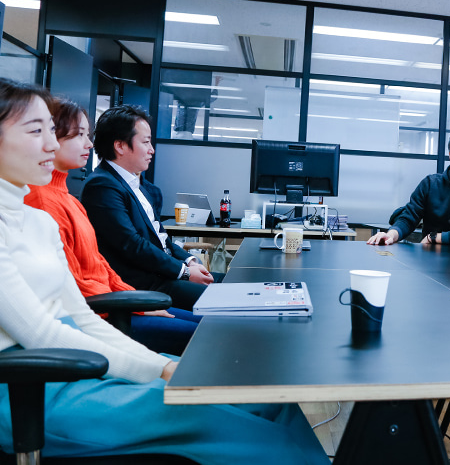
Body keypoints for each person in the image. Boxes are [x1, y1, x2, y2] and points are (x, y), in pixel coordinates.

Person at [0, 77, 328, 463]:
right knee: (249, 434)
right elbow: (42, 333)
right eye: (36, 131)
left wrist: (162, 366)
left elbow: (83, 319)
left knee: (271, 399)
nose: (53, 145)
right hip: (32, 385)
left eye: (52, 132)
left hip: (82, 358)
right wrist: (157, 370)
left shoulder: (38, 221)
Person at [25, 98, 200, 356]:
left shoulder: (68, 198)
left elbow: (99, 264)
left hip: (117, 301)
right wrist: (133, 303)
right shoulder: (44, 201)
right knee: (209, 336)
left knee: (210, 326)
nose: (89, 144)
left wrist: (134, 300)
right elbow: (71, 285)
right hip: (102, 313)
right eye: (79, 135)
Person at [80, 105, 213, 311]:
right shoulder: (102, 185)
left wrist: (189, 261)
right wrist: (184, 272)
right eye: (145, 142)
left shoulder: (140, 186)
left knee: (227, 285)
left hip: (162, 275)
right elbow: (132, 245)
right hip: (144, 285)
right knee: (220, 300)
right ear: (120, 146)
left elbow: (161, 239)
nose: (152, 149)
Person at [367, 126, 450, 247]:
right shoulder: (430, 184)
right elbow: (409, 217)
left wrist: (434, 237)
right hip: (432, 257)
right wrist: (391, 235)